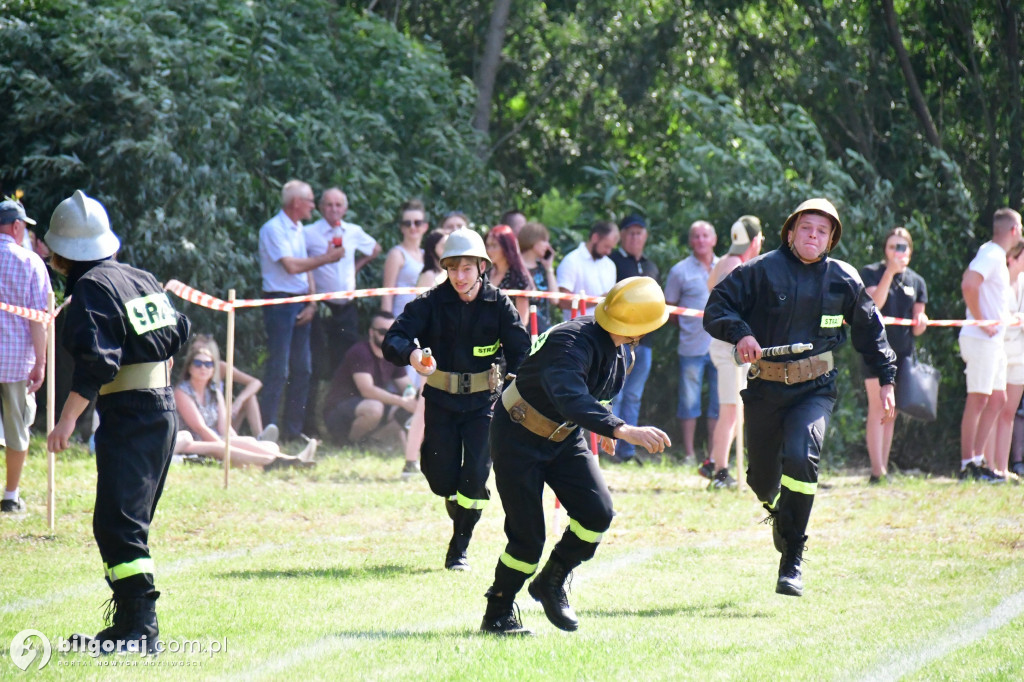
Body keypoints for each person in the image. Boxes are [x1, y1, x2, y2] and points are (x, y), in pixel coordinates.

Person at [704, 198, 896, 598]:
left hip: (815, 389)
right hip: (765, 388)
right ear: (790, 232)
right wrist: (742, 333)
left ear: (831, 239)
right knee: (760, 481)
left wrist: (887, 378)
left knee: (802, 456)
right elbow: (716, 307)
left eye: (822, 231)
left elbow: (871, 331)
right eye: (806, 228)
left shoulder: (844, 278)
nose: (813, 236)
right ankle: (782, 513)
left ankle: (792, 556)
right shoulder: (759, 270)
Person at [479, 277, 672, 635]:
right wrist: (620, 428)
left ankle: (551, 581)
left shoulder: (622, 348)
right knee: (528, 539)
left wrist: (605, 420)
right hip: (517, 436)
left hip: (565, 438)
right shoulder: (570, 341)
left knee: (597, 513)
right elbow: (570, 396)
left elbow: (599, 391)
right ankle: (498, 612)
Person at [45, 190, 191, 653]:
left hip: (130, 412)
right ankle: (129, 622)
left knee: (118, 523)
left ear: (62, 256)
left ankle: (140, 629)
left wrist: (66, 421)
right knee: (125, 521)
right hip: (160, 407)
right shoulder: (141, 277)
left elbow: (96, 364)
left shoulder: (91, 289)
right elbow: (179, 330)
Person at [382, 228, 530, 571]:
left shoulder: (499, 304)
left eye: (466, 268)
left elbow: (522, 352)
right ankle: (456, 502)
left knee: (476, 474)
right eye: (452, 269)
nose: (459, 277)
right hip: (441, 402)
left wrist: (513, 391)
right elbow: (394, 338)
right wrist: (412, 353)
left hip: (485, 404)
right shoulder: (430, 302)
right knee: (439, 476)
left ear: (481, 266)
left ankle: (458, 550)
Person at [258, 180, 343, 442]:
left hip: (301, 300)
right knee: (278, 368)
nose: (313, 206)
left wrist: (313, 302)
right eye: (309, 200)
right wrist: (327, 259)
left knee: (303, 368)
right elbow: (292, 267)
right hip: (279, 302)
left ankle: (292, 432)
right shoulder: (273, 229)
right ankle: (266, 431)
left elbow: (306, 271)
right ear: (296, 203)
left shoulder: (298, 229)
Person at [303, 187, 382, 436]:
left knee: (345, 364)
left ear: (345, 209)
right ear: (320, 207)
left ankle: (340, 425)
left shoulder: (353, 232)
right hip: (319, 307)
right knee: (314, 365)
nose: (334, 209)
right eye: (329, 205)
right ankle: (308, 425)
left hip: (346, 308)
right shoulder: (308, 233)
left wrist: (354, 269)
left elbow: (375, 249)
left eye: (338, 205)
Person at [174, 337, 314, 470]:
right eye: (198, 364)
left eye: (208, 364)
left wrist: (237, 441)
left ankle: (286, 460)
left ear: (213, 369)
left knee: (264, 445)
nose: (203, 368)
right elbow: (200, 428)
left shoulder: (214, 392)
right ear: (189, 368)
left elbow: (224, 427)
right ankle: (284, 461)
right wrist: (226, 443)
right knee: (235, 446)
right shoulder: (182, 392)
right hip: (196, 441)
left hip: (216, 437)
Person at [859, 227, 929, 484]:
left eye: (902, 247)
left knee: (892, 411)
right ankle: (876, 472)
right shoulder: (871, 273)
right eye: (892, 247)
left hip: (904, 353)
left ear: (910, 251)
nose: (898, 252)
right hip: (876, 350)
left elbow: (919, 324)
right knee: (878, 407)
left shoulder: (917, 281)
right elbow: (874, 304)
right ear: (885, 250)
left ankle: (883, 469)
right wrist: (890, 271)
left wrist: (921, 320)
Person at [958, 207, 1022, 482]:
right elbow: (969, 284)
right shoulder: (992, 253)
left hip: (993, 341)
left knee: (997, 400)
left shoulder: (996, 256)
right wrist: (983, 321)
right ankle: (967, 464)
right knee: (979, 399)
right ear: (1012, 230)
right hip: (980, 337)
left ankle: (980, 461)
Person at [705, 215, 764, 488]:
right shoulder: (736, 265)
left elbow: (710, 289)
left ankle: (715, 464)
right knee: (730, 410)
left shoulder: (724, 262)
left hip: (726, 346)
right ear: (755, 240)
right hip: (730, 347)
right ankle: (719, 472)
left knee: (733, 409)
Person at [0, 198, 50, 514]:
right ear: (17, 227)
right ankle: (10, 496)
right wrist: (41, 362)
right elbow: (37, 318)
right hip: (16, 362)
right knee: (17, 428)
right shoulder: (31, 263)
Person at [664, 220, 720, 471]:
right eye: (695, 236)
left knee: (720, 404)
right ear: (690, 241)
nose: (700, 240)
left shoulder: (727, 266)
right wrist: (689, 327)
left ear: (714, 240)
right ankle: (688, 454)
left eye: (704, 236)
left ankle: (716, 455)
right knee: (689, 402)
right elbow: (669, 310)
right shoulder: (679, 271)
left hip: (721, 347)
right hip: (691, 346)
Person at [607, 214, 661, 464]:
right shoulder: (613, 262)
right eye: (630, 232)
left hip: (645, 343)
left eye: (639, 232)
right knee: (614, 392)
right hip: (618, 340)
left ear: (646, 236)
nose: (635, 237)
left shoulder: (651, 266)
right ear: (622, 235)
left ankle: (628, 450)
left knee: (634, 395)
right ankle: (611, 447)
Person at [323, 311, 415, 449]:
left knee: (409, 409)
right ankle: (349, 444)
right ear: (371, 332)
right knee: (375, 407)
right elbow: (368, 390)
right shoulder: (360, 352)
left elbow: (407, 387)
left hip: (370, 410)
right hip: (339, 411)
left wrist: (414, 399)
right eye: (383, 332)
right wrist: (402, 401)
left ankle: (372, 441)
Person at [401, 229, 450, 479]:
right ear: (433, 250)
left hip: (446, 346)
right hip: (429, 347)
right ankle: (410, 460)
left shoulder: (446, 275)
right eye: (445, 245)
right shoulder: (429, 275)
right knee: (425, 402)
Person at [989, 240, 1024, 479]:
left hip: (1019, 352)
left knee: (1009, 411)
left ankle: (1002, 467)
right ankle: (988, 465)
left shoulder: (1022, 283)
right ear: (1013, 257)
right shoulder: (999, 279)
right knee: (995, 406)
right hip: (999, 348)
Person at [555, 220, 619, 310]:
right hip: (579, 323)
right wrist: (599, 300)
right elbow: (562, 302)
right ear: (595, 238)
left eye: (611, 248)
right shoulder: (571, 261)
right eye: (606, 246)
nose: (608, 252)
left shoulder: (610, 265)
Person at [381, 198, 427, 319]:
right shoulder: (397, 254)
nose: (412, 227)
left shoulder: (427, 255)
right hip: (401, 320)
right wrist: (387, 324)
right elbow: (387, 293)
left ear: (425, 226)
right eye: (407, 223)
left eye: (417, 223)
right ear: (402, 228)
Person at [486, 224, 533, 321]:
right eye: (488, 245)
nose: (489, 250)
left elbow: (522, 320)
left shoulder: (518, 277)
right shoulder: (486, 272)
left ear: (506, 247)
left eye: (494, 246)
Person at [517, 221, 558, 332]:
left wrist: (549, 268)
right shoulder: (515, 267)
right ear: (532, 240)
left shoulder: (542, 268)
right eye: (544, 241)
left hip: (543, 330)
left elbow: (555, 299)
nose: (548, 246)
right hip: (522, 330)